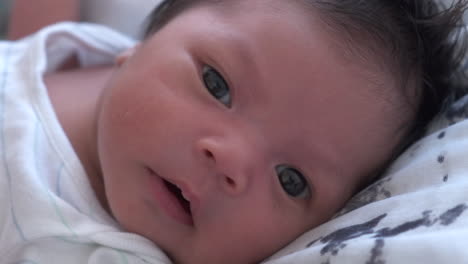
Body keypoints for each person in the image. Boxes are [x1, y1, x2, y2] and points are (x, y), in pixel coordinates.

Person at [0, 0, 467, 263]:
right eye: (216, 85)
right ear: (144, 42)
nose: (231, 161)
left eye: (291, 180)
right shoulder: (85, 51)